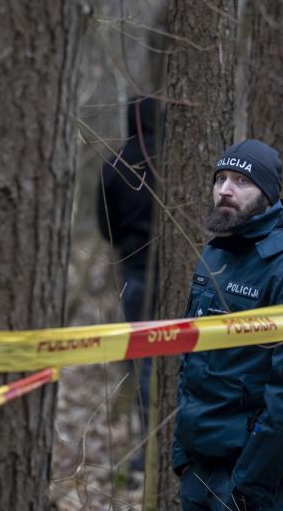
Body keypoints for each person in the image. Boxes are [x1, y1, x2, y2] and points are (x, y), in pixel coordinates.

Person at [171, 139, 283, 510]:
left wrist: (249, 486)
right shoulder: (217, 252)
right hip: (199, 466)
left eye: (242, 181)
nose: (226, 190)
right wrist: (182, 456)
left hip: (256, 477)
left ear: (268, 193)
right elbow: (191, 358)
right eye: (220, 179)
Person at [96, 96, 158, 454]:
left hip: (135, 271)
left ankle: (148, 451)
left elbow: (106, 228)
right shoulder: (176, 161)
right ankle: (153, 451)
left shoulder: (114, 165)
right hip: (174, 273)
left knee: (144, 363)